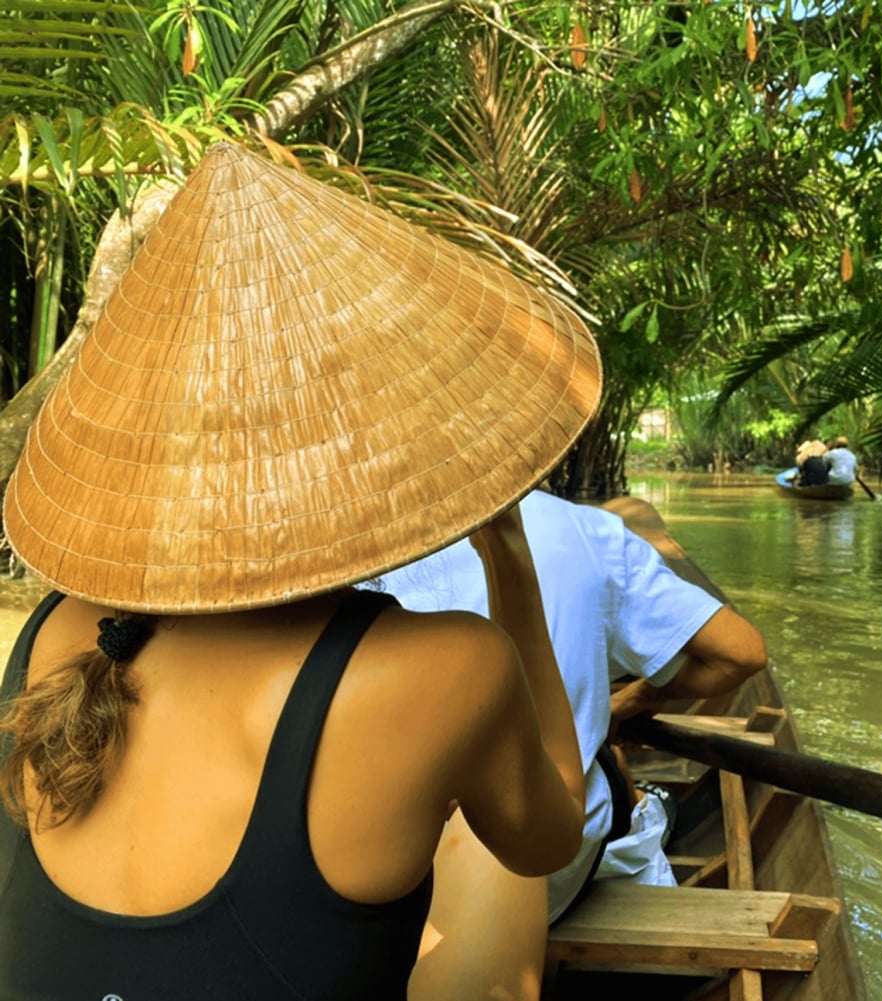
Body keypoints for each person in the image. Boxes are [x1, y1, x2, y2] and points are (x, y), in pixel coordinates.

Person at [0, 142, 599, 999]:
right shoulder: (448, 669)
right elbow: (553, 836)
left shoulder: (57, 631)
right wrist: (506, 551)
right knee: (482, 850)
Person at [375, 490, 768, 1001]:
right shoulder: (588, 532)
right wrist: (632, 700)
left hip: (367, 873)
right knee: (604, 771)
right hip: (542, 869)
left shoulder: (328, 548)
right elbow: (740, 654)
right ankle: (649, 812)